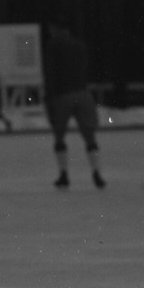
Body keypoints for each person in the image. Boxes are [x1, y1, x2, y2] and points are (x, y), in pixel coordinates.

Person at [44, 21, 104, 190]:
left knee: (59, 136)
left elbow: (51, 73)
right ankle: (96, 172)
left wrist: (49, 98)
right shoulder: (79, 45)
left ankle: (64, 174)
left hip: (62, 95)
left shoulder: (53, 45)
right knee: (90, 137)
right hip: (83, 93)